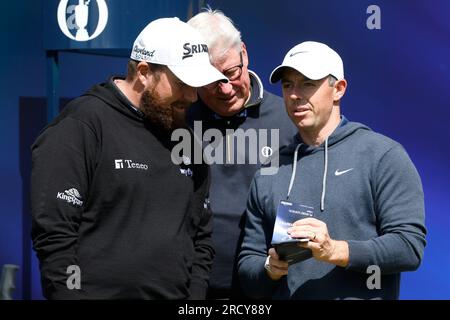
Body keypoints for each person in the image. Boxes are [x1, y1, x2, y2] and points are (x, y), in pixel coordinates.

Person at [30, 17, 227, 299]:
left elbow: (201, 239)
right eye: (183, 82)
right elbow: (55, 237)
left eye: (196, 85)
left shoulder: (187, 140)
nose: (192, 96)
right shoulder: (83, 125)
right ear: (144, 72)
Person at [238, 41, 427, 299]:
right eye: (287, 85)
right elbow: (249, 263)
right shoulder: (271, 169)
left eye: (308, 83)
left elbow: (408, 246)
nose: (295, 95)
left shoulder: (382, 155)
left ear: (338, 89)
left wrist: (335, 250)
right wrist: (269, 269)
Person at [186, 8, 297, 299]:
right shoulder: (178, 121)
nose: (224, 89)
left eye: (231, 73)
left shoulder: (290, 121)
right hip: (191, 287)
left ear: (244, 54)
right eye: (210, 80)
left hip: (270, 288)